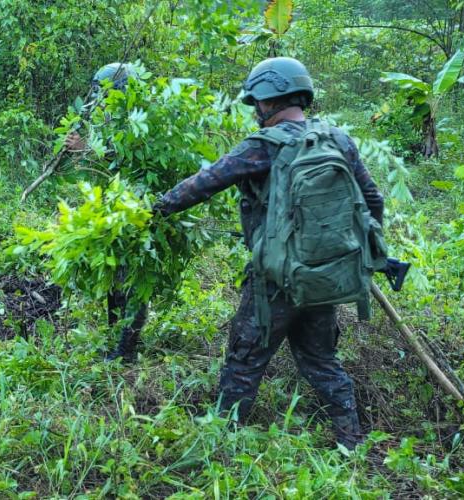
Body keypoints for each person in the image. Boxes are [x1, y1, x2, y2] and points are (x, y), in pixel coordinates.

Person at [153, 57, 385, 449]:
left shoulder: (262, 147)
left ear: (269, 98)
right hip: (324, 277)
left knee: (244, 361)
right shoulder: (338, 140)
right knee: (322, 360)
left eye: (257, 103)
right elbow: (373, 202)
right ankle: (353, 442)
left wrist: (155, 210)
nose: (256, 111)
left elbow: (205, 183)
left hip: (274, 281)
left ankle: (221, 444)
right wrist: (356, 257)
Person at [62, 62, 148, 362]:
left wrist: (87, 148)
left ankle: (126, 352)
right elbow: (97, 171)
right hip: (112, 209)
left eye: (103, 92)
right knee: (114, 281)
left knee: (132, 283)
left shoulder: (139, 121)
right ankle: (116, 341)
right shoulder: (110, 121)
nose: (97, 98)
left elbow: (126, 158)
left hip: (136, 211)